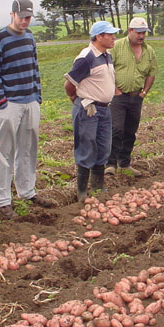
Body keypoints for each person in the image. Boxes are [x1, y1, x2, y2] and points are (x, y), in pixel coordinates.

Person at [0, 0, 53, 220]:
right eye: (22, 16)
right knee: (4, 150)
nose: (25, 21)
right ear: (12, 14)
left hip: (30, 100)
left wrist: (38, 94)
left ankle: (27, 191)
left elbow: (35, 67)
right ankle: (2, 201)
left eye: (28, 17)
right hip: (10, 103)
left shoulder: (30, 38)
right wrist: (1, 101)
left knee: (28, 147)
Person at [64, 21, 118, 202]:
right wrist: (78, 101)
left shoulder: (106, 55)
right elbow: (70, 84)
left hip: (104, 109)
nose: (113, 38)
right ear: (98, 37)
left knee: (104, 147)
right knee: (86, 147)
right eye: (109, 35)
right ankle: (81, 192)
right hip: (89, 109)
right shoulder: (86, 57)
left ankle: (98, 185)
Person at [105, 17, 157, 177]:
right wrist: (115, 90)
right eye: (138, 33)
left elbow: (151, 73)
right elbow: (106, 68)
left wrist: (144, 93)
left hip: (136, 97)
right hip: (118, 96)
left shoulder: (149, 51)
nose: (141, 36)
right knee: (116, 128)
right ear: (130, 31)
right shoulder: (117, 46)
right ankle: (111, 163)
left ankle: (125, 163)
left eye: (144, 33)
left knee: (130, 130)